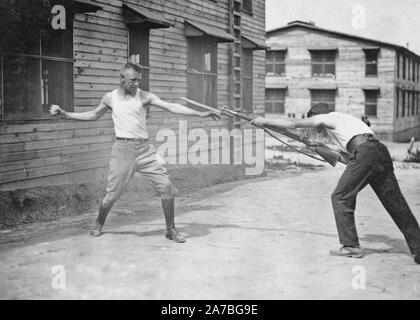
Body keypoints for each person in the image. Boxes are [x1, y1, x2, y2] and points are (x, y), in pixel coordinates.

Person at [50, 62, 220, 243]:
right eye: (133, 80)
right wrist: (65, 114)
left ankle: (170, 230)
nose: (137, 84)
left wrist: (200, 114)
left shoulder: (144, 96)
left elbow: (171, 106)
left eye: (139, 80)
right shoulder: (110, 98)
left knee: (166, 187)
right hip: (123, 150)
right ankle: (99, 223)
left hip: (145, 150)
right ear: (122, 78)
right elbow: (93, 115)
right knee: (112, 195)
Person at [251, 103, 420, 264]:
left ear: (317, 116)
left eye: (315, 123)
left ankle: (351, 246)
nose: (317, 129)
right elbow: (352, 160)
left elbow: (293, 123)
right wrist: (322, 149)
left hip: (367, 153)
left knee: (340, 196)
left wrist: (263, 121)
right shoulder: (350, 124)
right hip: (380, 152)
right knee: (396, 203)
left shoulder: (329, 118)